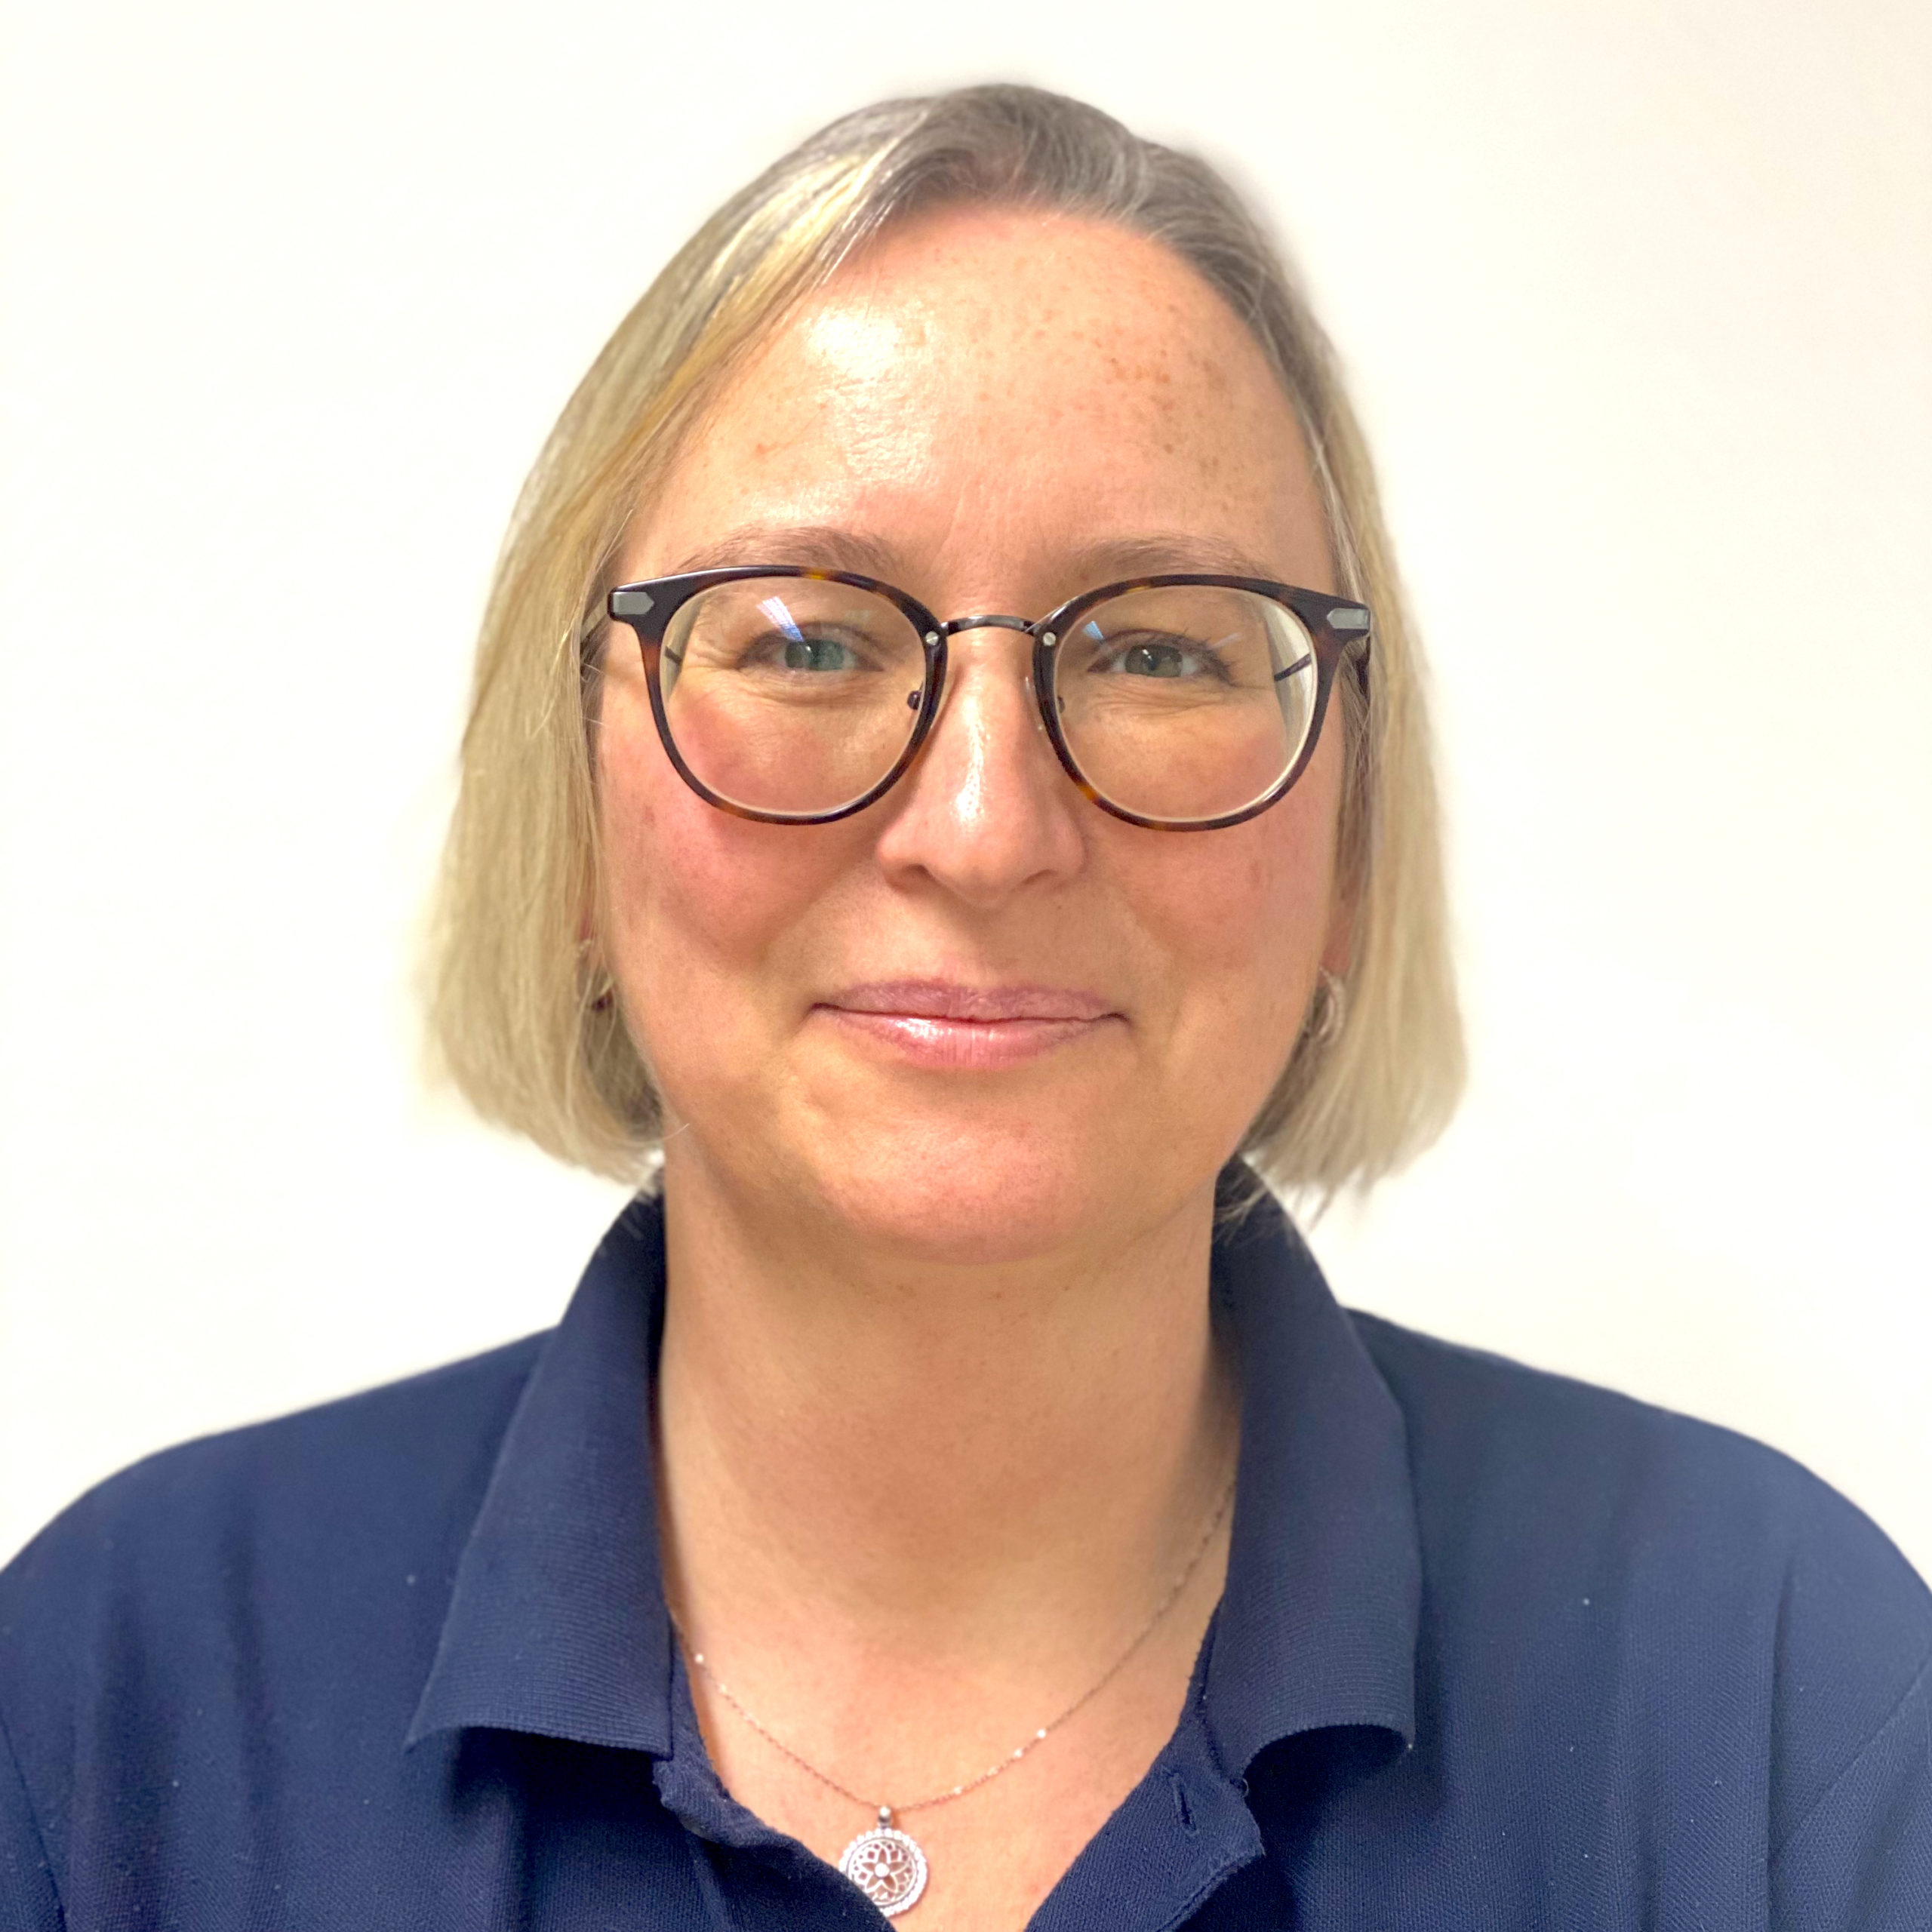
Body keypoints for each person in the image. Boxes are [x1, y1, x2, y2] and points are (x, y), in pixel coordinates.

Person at [1, 83, 1925, 1932]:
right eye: (805, 639)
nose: (987, 830)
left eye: (1158, 651)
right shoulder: (115, 1709)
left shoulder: (1780, 1699)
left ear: (1347, 839)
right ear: (568, 806)